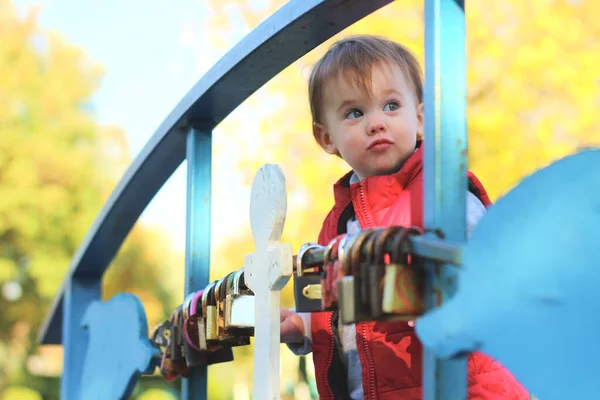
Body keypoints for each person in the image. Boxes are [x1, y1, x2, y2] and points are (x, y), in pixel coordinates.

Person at [280, 35, 529, 399]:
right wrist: (301, 326)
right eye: (354, 113)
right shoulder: (335, 226)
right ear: (326, 138)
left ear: (420, 118)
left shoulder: (443, 196)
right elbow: (334, 310)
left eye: (391, 105)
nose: (376, 122)